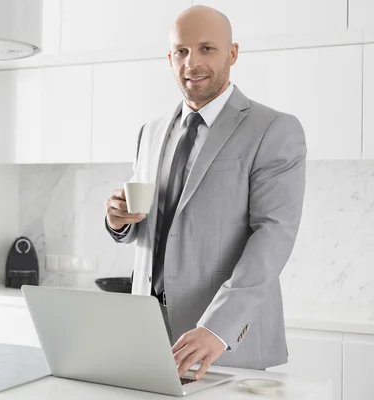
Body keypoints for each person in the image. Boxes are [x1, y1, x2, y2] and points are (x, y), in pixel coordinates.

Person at [105, 5, 306, 381]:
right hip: (146, 336)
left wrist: (217, 328)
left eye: (206, 49)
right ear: (169, 57)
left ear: (232, 53)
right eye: (181, 51)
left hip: (223, 342)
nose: (191, 63)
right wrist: (118, 222)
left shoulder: (274, 129)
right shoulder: (150, 132)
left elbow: (274, 235)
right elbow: (152, 222)